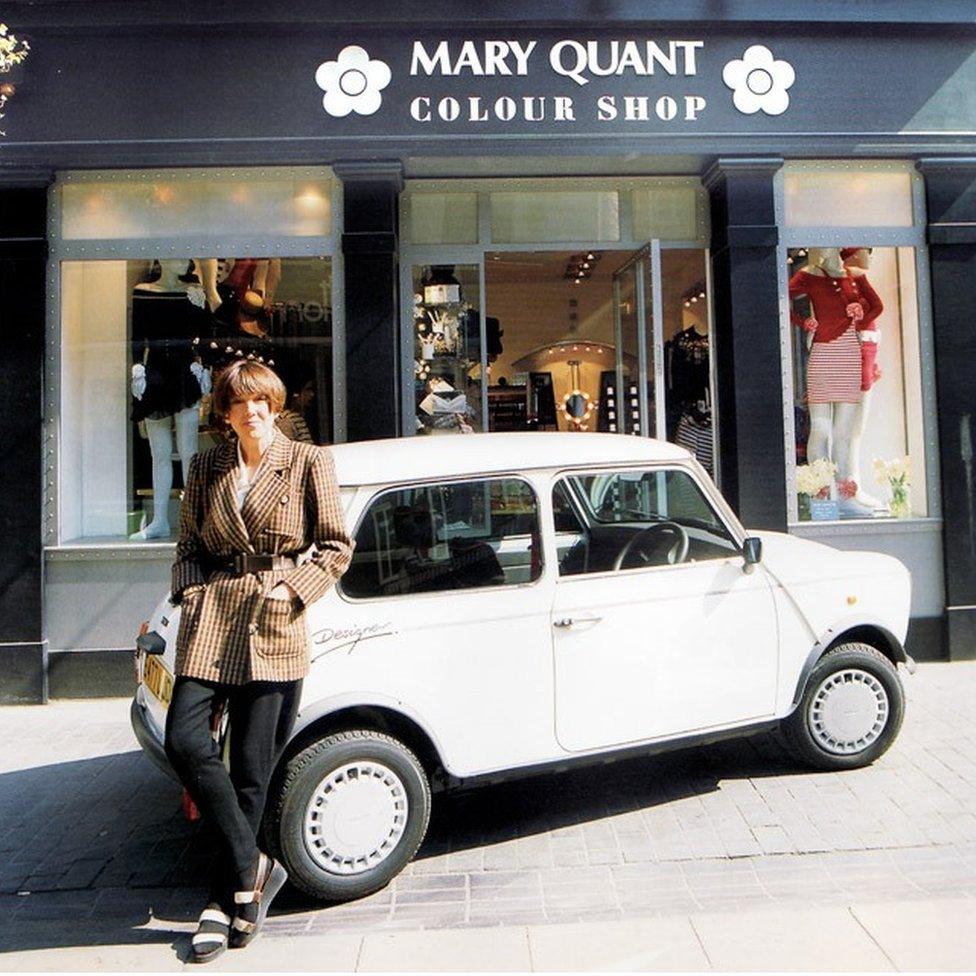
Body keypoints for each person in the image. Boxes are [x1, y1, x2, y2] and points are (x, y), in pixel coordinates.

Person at [164, 359, 353, 962]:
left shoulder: (307, 461)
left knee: (251, 769)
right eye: (240, 402)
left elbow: (335, 544)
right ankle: (253, 864)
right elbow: (188, 545)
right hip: (214, 615)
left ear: (276, 405)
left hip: (275, 618)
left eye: (262, 400)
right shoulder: (207, 465)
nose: (253, 411)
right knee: (185, 741)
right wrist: (192, 592)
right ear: (225, 412)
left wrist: (293, 589)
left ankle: (224, 902)